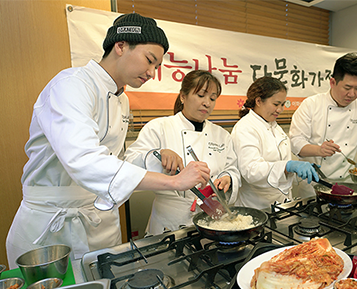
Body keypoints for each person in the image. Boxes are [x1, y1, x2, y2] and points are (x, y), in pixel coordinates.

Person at [6, 13, 210, 268]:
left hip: (99, 221)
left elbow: (115, 160)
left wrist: (158, 161)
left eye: (157, 66)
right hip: (51, 227)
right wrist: (174, 182)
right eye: (150, 60)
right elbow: (85, 160)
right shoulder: (71, 85)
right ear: (121, 46)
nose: (152, 73)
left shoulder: (121, 99)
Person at [125, 70, 241, 235]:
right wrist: (158, 154)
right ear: (183, 96)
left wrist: (228, 178)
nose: (207, 103)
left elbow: (232, 168)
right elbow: (129, 164)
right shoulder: (160, 127)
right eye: (201, 95)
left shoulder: (222, 134)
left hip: (211, 219)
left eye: (212, 98)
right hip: (169, 221)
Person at [289, 52, 357, 184]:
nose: (352, 94)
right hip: (314, 181)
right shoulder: (311, 105)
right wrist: (319, 150)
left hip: (348, 181)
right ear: (332, 82)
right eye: (347, 87)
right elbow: (295, 142)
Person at [231, 76, 318, 209]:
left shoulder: (275, 127)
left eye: (283, 104)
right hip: (257, 206)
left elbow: (281, 163)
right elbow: (251, 171)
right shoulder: (245, 128)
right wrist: (287, 166)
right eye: (276, 104)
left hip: (281, 202)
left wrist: (297, 171)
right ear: (259, 101)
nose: (280, 109)